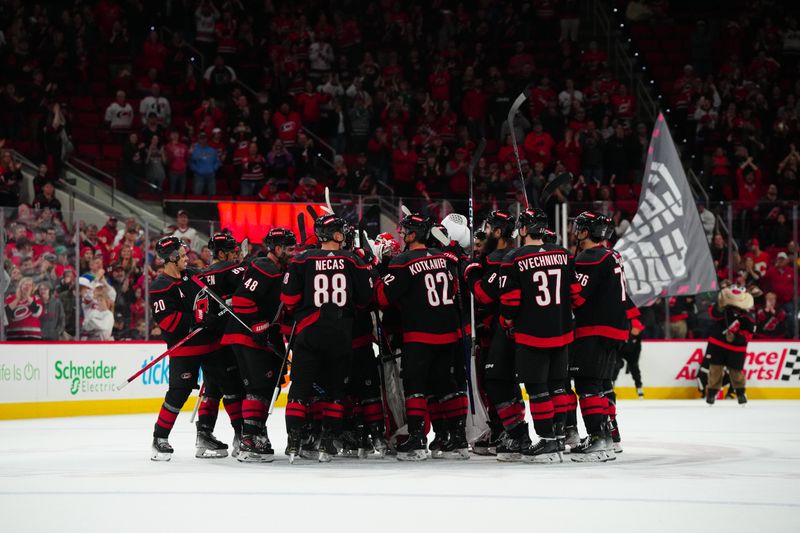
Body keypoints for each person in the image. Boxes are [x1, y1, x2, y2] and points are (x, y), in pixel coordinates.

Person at [375, 213, 468, 461]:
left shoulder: (403, 261)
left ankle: (417, 439)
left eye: (405, 231)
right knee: (446, 386)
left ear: (414, 234)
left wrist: (377, 272)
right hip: (449, 333)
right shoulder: (444, 258)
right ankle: (457, 439)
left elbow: (383, 299)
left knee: (416, 387)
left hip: (420, 335)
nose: (401, 235)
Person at [280, 214, 373, 463]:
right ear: (334, 234)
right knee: (335, 391)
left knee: (299, 389)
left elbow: (288, 301)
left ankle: (294, 442)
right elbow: (366, 299)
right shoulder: (353, 260)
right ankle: (328, 442)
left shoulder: (301, 260)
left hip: (309, 331)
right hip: (341, 333)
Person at [149, 237, 244, 461]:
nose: (186, 258)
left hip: (211, 344)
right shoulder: (160, 286)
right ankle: (159, 439)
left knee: (230, 387)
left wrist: (223, 304)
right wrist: (199, 318)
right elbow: (168, 322)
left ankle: (241, 436)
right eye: (182, 256)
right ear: (171, 258)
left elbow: (212, 297)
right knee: (178, 393)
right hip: (185, 348)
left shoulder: (193, 276)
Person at [494, 208, 576, 463]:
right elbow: (574, 292)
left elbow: (510, 299)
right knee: (558, 386)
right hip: (562, 332)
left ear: (525, 229)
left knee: (538, 389)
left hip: (532, 333)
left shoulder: (514, 257)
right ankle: (560, 436)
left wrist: (506, 318)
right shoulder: (563, 254)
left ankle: (547, 440)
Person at [221, 228, 297, 462]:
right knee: (259, 387)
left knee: (264, 386)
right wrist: (257, 324)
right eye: (289, 248)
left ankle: (255, 435)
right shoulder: (265, 266)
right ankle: (250, 440)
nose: (293, 252)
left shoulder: (279, 269)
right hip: (247, 336)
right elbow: (243, 299)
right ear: (276, 248)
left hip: (256, 336)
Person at [568, 211, 637, 462]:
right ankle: (609, 437)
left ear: (587, 232)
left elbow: (578, 298)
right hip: (616, 328)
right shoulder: (612, 255)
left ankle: (597, 440)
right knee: (601, 384)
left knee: (587, 384)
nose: (576, 231)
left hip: (595, 329)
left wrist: (565, 275)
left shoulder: (590, 257)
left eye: (580, 227)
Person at [463, 210, 517, 456]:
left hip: (502, 331)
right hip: (497, 331)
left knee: (499, 383)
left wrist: (472, 272)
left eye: (487, 230)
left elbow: (484, 294)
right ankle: (501, 430)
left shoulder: (501, 258)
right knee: (493, 383)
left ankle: (512, 432)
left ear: (498, 232)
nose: (483, 235)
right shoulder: (501, 255)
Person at [192, 233, 248, 459]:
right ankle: (241, 436)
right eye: (233, 251)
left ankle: (203, 435)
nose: (236, 254)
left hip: (207, 343)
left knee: (212, 389)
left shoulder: (200, 275)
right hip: (226, 342)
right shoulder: (231, 269)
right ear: (223, 253)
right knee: (234, 389)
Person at [705, 286, 755, 405]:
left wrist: (736, 338)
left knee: (736, 373)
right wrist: (719, 305)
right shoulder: (724, 310)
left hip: (736, 349)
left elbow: (749, 335)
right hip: (718, 344)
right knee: (715, 370)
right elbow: (713, 314)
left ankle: (740, 393)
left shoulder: (747, 317)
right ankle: (712, 394)